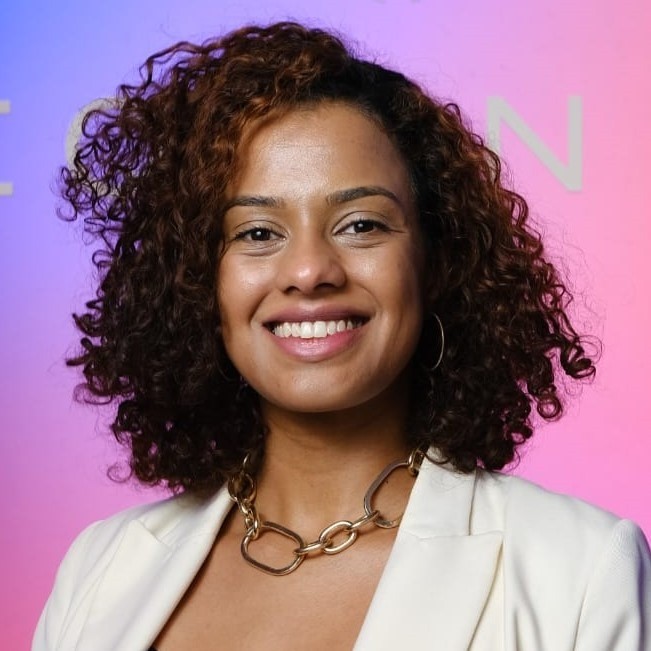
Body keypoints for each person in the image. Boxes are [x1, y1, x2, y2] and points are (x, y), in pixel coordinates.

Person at [33, 21, 650, 651]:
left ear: (436, 260)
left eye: (360, 225)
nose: (309, 272)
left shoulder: (578, 571)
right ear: (197, 280)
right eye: (257, 233)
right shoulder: (101, 570)